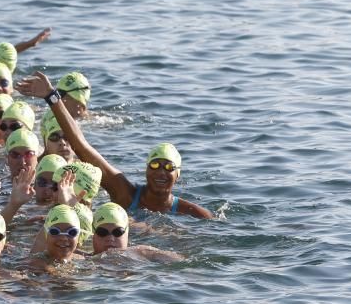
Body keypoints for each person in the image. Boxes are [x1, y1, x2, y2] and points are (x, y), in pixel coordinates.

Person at [18, 71, 214, 218]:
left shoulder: (191, 212)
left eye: (168, 167)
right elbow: (81, 146)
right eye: (155, 165)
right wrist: (52, 97)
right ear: (146, 169)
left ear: (177, 174)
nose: (161, 172)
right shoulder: (125, 193)